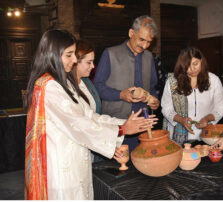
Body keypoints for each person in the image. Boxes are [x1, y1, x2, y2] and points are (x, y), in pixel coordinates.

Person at [24, 29, 156, 200]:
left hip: (77, 159)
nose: (74, 61)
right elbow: (79, 124)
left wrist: (126, 123)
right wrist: (122, 130)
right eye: (69, 55)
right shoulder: (49, 86)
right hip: (62, 164)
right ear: (52, 54)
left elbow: (90, 116)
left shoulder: (63, 82)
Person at [93, 15, 160, 152]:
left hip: (143, 123)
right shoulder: (110, 54)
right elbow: (97, 87)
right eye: (142, 39)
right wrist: (120, 95)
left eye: (149, 42)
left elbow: (152, 87)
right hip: (118, 124)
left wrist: (154, 100)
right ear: (131, 33)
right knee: (119, 168)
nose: (145, 46)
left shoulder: (148, 57)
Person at [161, 47, 223, 145]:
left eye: (195, 64)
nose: (192, 69)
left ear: (201, 61)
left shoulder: (213, 80)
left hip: (206, 135)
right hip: (178, 136)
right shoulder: (173, 82)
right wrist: (181, 119)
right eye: (187, 66)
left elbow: (220, 107)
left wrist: (207, 118)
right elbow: (166, 108)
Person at [74, 40, 101, 114]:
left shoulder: (86, 81)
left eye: (93, 62)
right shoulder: (67, 86)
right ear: (76, 62)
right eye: (89, 62)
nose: (93, 66)